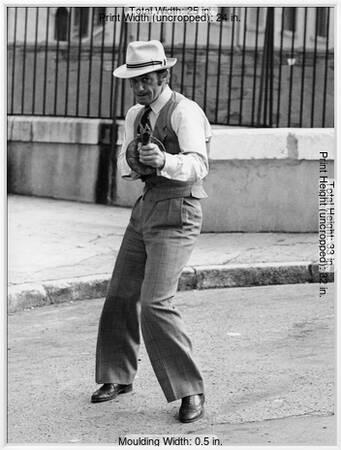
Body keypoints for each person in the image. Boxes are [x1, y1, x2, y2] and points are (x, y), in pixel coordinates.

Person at [91, 40, 211, 423]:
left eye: (147, 79)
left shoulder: (185, 111)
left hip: (180, 208)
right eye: (135, 81)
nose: (141, 87)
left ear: (165, 75)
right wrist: (138, 162)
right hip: (147, 206)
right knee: (121, 293)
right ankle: (117, 377)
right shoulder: (134, 115)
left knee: (156, 302)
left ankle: (190, 390)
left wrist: (165, 160)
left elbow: (198, 165)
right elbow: (130, 165)